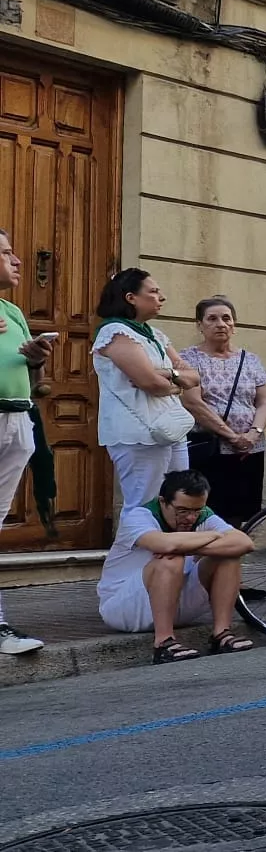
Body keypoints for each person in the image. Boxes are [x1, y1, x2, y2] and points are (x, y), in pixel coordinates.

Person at [96, 470, 255, 664]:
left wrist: (187, 545)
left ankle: (221, 634)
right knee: (171, 559)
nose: (190, 518)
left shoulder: (202, 515)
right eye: (182, 511)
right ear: (163, 502)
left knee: (228, 556)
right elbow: (163, 546)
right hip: (125, 608)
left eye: (196, 511)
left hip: (177, 601)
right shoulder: (139, 516)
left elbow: (244, 543)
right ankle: (163, 643)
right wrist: (214, 536)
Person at [94, 269, 198, 510]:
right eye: (153, 291)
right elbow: (151, 384)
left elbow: (194, 377)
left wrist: (169, 375)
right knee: (144, 503)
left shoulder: (156, 335)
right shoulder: (114, 331)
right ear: (131, 297)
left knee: (178, 503)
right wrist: (173, 382)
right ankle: (130, 548)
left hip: (171, 428)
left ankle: (168, 549)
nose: (161, 297)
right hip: (138, 434)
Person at [0, 229, 51, 656]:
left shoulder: (13, 310)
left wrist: (35, 360)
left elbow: (36, 382)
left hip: (17, 417)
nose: (17, 260)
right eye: (5, 253)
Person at [180, 297, 266, 527]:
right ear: (199, 325)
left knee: (245, 513)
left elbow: (264, 402)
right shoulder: (188, 359)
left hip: (249, 450)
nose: (220, 324)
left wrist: (253, 434)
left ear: (234, 325)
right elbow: (193, 403)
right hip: (211, 449)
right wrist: (231, 436)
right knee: (209, 512)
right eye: (212, 318)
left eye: (226, 318)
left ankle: (233, 560)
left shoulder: (250, 360)